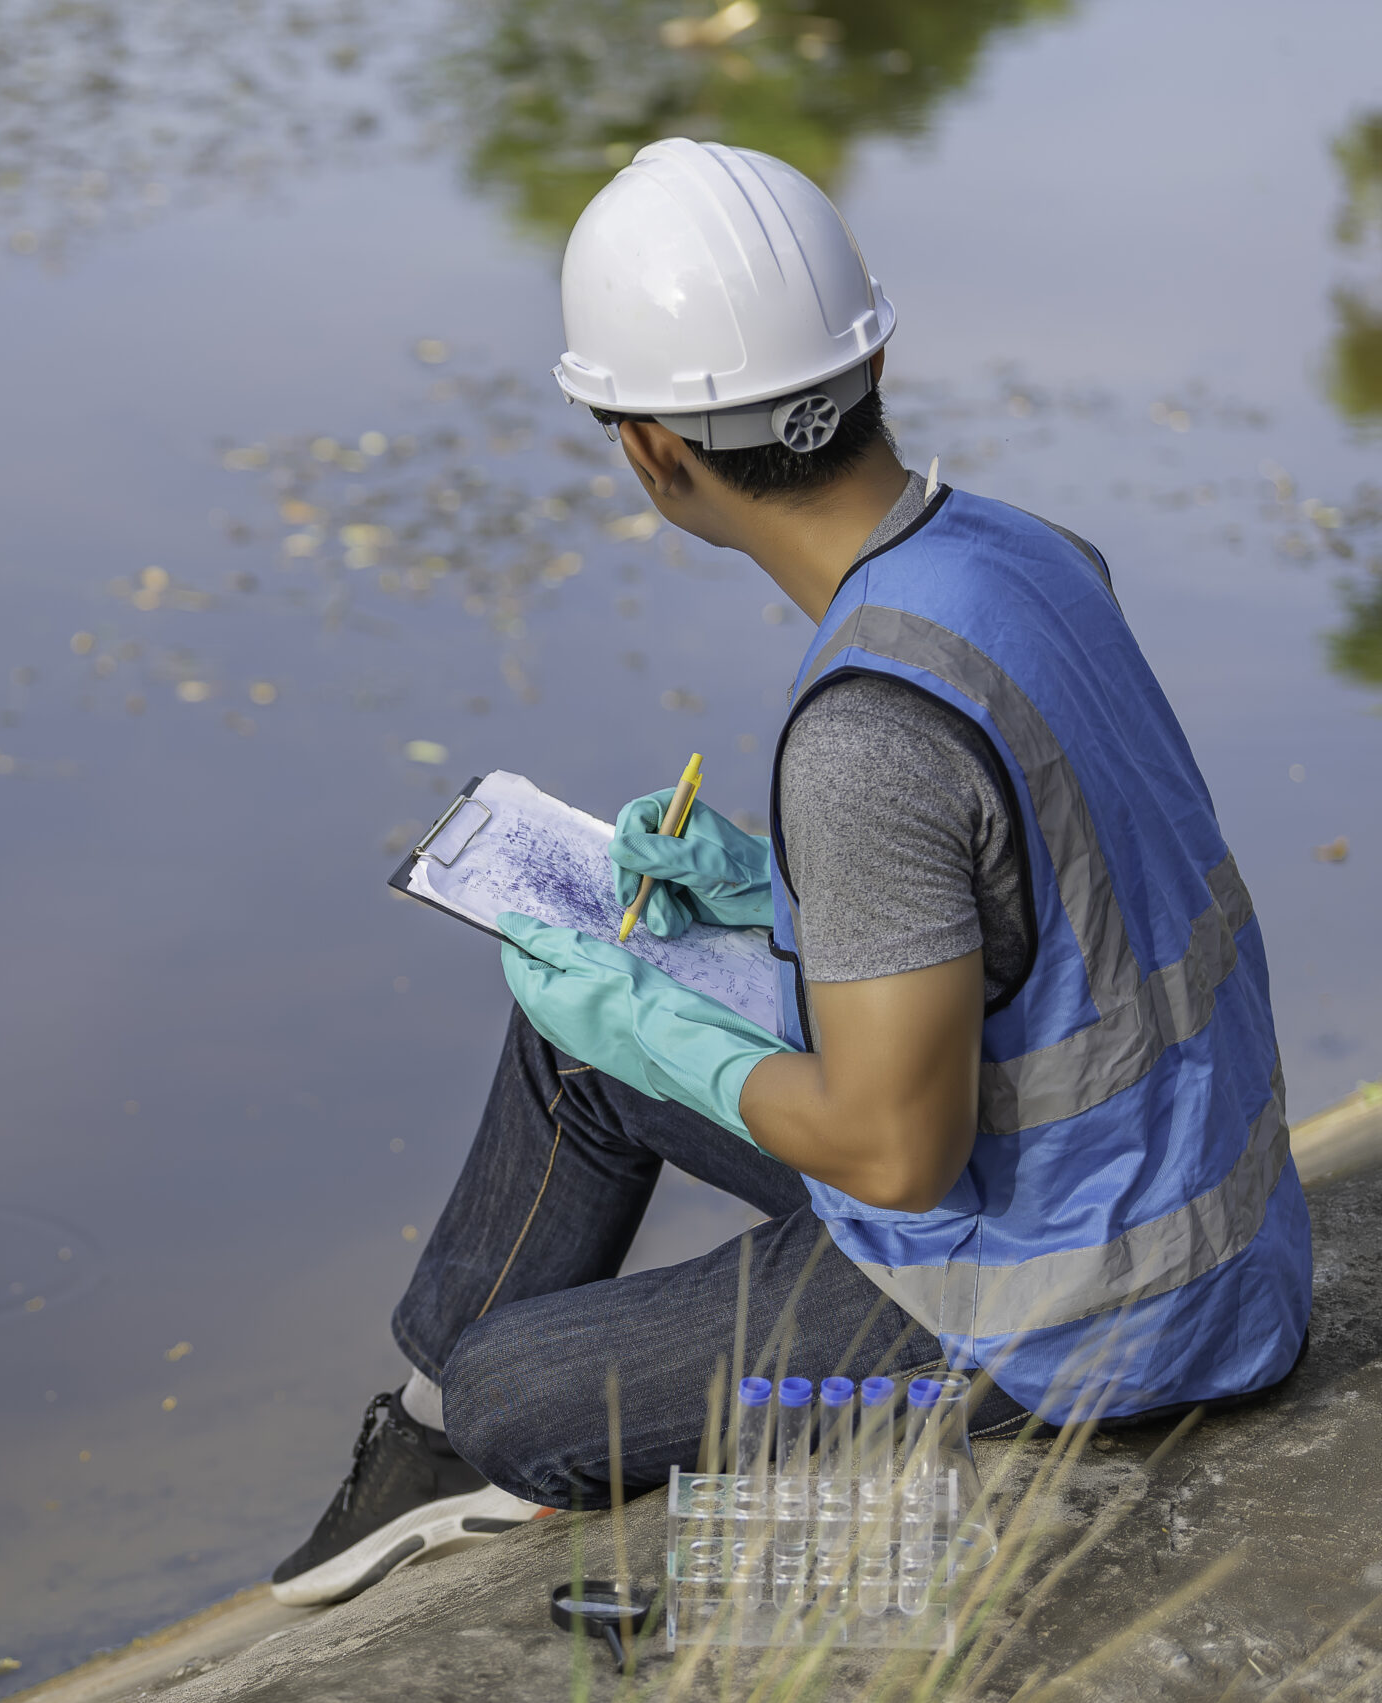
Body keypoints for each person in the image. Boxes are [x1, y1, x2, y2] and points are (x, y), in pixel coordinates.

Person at [270, 138, 1311, 1608]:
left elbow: (898, 1158)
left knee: (521, 1394)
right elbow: (1053, 878)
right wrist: (770, 895)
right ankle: (424, 1436)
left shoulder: (864, 734)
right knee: (580, 1053)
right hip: (1205, 1226)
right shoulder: (1029, 556)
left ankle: (465, 1428)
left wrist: (666, 1030)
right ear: (871, 361)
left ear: (649, 447)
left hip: (1074, 1321)